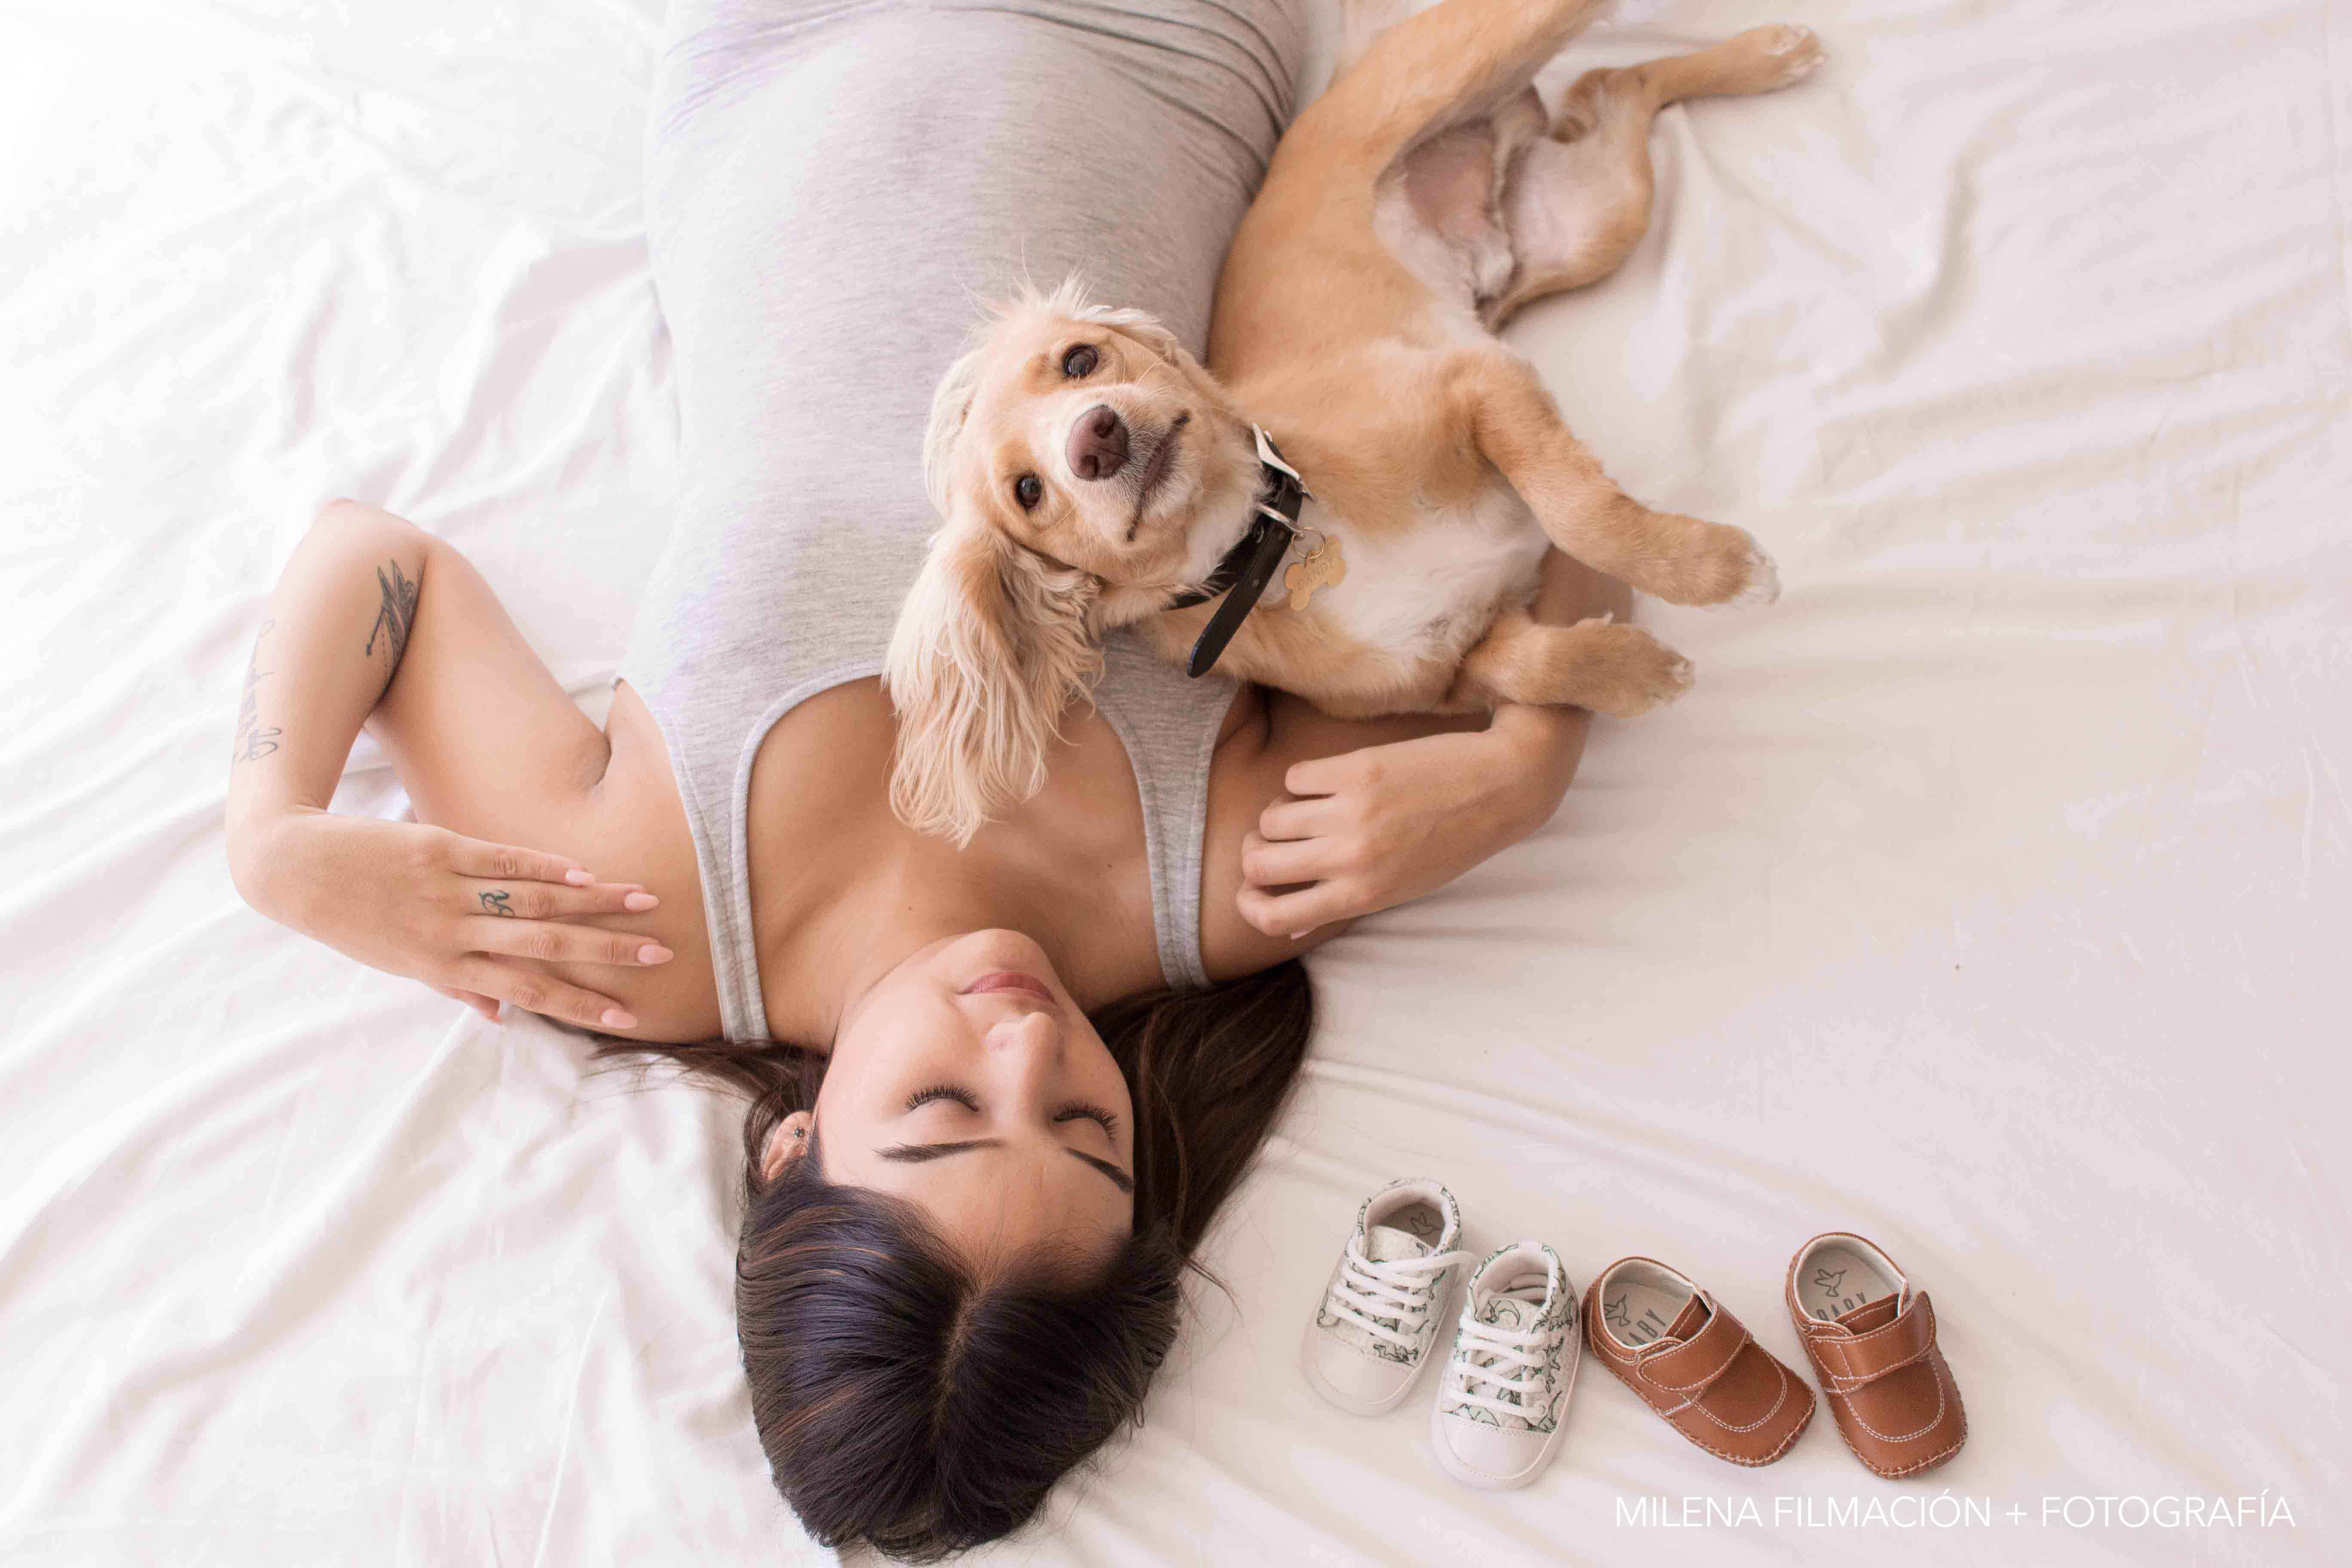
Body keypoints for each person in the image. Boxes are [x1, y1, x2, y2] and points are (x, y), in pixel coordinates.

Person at [225, 0, 1618, 1555]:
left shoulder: (629, 929)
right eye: (1088, 1133)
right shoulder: (1224, 881)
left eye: (946, 1109)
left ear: (792, 1147)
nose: (1027, 1044)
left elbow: (371, 561)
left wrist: (275, 843)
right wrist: (1524, 771)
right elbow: (1535, 525)